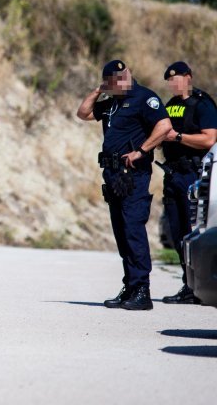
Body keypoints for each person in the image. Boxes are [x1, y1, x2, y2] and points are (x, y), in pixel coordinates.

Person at [77, 60, 172, 310]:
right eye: (115, 79)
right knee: (121, 232)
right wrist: (99, 91)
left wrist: (141, 151)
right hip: (113, 175)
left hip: (134, 175)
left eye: (123, 75)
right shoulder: (111, 102)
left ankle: (142, 290)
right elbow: (83, 113)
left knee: (133, 231)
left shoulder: (144, 98)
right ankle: (130, 286)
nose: (121, 80)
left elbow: (164, 126)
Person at [159, 61, 217, 304]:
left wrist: (178, 137)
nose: (174, 83)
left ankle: (196, 287)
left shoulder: (202, 104)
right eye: (170, 80)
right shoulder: (171, 105)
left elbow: (210, 139)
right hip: (173, 174)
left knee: (193, 232)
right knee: (176, 231)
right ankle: (187, 284)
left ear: (189, 77)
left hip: (193, 175)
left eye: (178, 78)